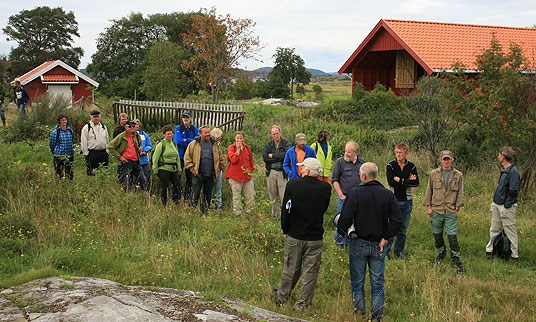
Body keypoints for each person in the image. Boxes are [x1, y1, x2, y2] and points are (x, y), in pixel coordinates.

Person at [337, 162, 402, 322]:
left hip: (358, 241)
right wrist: (386, 237)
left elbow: (345, 217)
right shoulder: (387, 194)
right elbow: (397, 219)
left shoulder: (355, 193)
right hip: (378, 243)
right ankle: (377, 317)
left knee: (358, 281)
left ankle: (359, 314)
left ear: (364, 176)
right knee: (377, 283)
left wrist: (342, 231)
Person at [273, 158, 331, 311]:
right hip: (315, 235)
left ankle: (282, 297)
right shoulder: (325, 188)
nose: (301, 169)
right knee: (310, 272)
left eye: (303, 167)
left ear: (307, 170)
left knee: (291, 268)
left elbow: (287, 209)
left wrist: (285, 228)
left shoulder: (293, 184)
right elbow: (323, 208)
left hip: (295, 234)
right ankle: (303, 304)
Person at [424, 150, 464, 273]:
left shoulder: (458, 175)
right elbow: (429, 190)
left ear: (452, 160)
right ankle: (440, 254)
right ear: (440, 160)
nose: (446, 161)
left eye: (448, 159)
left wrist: (458, 206)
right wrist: (428, 206)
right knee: (437, 235)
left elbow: (460, 192)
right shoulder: (434, 174)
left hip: (450, 210)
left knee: (452, 236)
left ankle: (456, 259)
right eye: (444, 159)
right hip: (436, 209)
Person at [385, 143, 420, 259]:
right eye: (397, 152)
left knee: (403, 228)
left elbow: (416, 183)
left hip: (407, 200)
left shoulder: (412, 166)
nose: (398, 155)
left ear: (406, 153)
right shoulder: (390, 165)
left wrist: (400, 180)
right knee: (391, 226)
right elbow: (391, 182)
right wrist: (407, 180)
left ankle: (399, 251)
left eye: (400, 153)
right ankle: (385, 252)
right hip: (394, 200)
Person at [485, 147, 520, 260]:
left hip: (506, 206)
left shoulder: (513, 171)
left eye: (499, 155)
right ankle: (491, 250)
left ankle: (514, 255)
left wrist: (507, 205)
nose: (498, 157)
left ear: (504, 156)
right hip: (497, 204)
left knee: (510, 230)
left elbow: (514, 190)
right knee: (494, 228)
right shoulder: (504, 170)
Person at [184, 125, 225, 215]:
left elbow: (221, 158)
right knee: (195, 195)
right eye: (205, 132)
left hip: (210, 175)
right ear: (200, 133)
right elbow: (187, 158)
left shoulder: (214, 144)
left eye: (208, 132)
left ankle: (205, 214)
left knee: (207, 196)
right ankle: (192, 213)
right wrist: (192, 169)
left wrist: (220, 168)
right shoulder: (193, 144)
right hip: (197, 174)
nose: (208, 134)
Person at [331, 141, 365, 248]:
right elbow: (335, 180)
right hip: (344, 197)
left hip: (358, 198)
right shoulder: (340, 162)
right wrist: (340, 194)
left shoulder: (362, 163)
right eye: (345, 151)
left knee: (358, 220)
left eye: (349, 152)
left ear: (356, 152)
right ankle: (340, 242)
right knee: (342, 220)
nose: (346, 153)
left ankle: (354, 241)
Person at [108, 120, 148, 191]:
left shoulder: (136, 135)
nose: (132, 128)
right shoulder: (121, 136)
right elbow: (110, 147)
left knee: (143, 179)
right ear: (125, 127)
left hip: (136, 161)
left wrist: (140, 147)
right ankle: (127, 196)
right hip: (126, 161)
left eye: (133, 126)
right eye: (129, 126)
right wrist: (120, 157)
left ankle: (146, 194)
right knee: (126, 181)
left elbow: (139, 144)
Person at [263, 125, 292, 219]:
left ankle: (285, 216)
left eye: (277, 133)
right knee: (272, 194)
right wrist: (277, 158)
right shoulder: (269, 144)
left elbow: (287, 155)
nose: (275, 135)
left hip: (282, 173)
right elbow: (265, 158)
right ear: (271, 135)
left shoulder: (286, 143)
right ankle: (275, 216)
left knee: (284, 195)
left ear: (280, 133)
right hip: (271, 172)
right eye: (273, 134)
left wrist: (273, 155)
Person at [225, 131, 255, 215]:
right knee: (236, 197)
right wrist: (238, 150)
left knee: (250, 196)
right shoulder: (231, 147)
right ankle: (237, 214)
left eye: (241, 138)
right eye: (237, 138)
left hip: (247, 176)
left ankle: (250, 214)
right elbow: (233, 160)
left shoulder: (247, 148)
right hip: (235, 177)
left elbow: (251, 161)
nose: (239, 140)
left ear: (243, 139)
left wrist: (251, 171)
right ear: (235, 138)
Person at [152, 125, 182, 206]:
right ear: (164, 135)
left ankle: (176, 201)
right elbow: (155, 157)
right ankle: (164, 203)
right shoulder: (161, 144)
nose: (170, 135)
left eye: (171, 134)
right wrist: (155, 169)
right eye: (168, 134)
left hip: (173, 169)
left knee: (178, 185)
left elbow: (177, 157)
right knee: (164, 187)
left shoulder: (174, 144)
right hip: (163, 169)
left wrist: (179, 168)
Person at [174, 111, 200, 201]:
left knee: (190, 179)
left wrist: (186, 140)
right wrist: (190, 141)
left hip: (191, 158)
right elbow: (178, 141)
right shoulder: (178, 128)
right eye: (184, 117)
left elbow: (197, 141)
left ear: (191, 119)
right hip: (180, 157)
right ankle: (176, 198)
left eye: (187, 117)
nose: (185, 119)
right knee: (178, 177)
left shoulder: (194, 129)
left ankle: (187, 198)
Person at [80, 110, 109, 176]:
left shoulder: (103, 127)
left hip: (103, 153)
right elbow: (84, 141)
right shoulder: (87, 128)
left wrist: (107, 151)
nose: (96, 118)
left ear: (100, 117)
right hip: (92, 153)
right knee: (91, 173)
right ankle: (93, 184)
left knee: (104, 172)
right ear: (91, 117)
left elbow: (107, 139)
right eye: (94, 117)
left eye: (97, 116)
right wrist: (86, 154)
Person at [49, 114, 74, 180]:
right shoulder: (55, 132)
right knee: (59, 174)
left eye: (65, 120)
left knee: (70, 174)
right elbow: (52, 144)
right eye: (62, 120)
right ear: (59, 121)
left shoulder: (70, 130)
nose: (64, 121)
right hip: (59, 155)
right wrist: (55, 152)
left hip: (69, 155)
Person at [134, 119, 152, 188]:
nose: (136, 126)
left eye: (137, 124)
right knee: (136, 177)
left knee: (146, 175)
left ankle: (147, 190)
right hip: (135, 160)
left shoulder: (144, 134)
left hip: (144, 160)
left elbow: (149, 145)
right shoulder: (131, 134)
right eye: (135, 124)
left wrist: (145, 151)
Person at [210, 127, 224, 210]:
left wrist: (221, 167)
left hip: (218, 170)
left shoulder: (218, 145)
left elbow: (220, 157)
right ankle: (212, 205)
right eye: (220, 136)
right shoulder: (211, 145)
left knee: (218, 189)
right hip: (211, 170)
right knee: (211, 189)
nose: (221, 138)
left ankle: (219, 205)